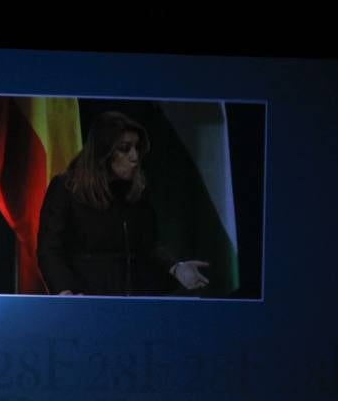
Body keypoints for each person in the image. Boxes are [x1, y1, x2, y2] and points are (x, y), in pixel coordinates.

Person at [36, 110, 210, 296]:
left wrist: (176, 267)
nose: (135, 157)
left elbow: (150, 245)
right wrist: (65, 292)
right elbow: (50, 249)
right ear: (103, 152)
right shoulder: (66, 188)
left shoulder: (137, 191)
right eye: (125, 148)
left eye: (137, 148)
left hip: (131, 300)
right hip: (83, 301)